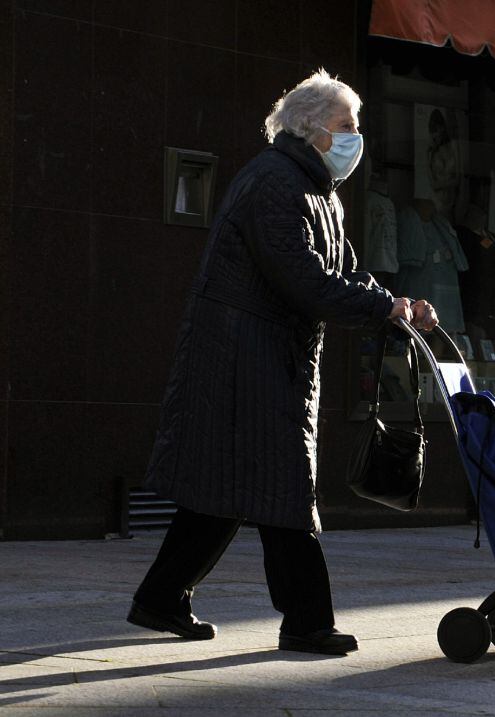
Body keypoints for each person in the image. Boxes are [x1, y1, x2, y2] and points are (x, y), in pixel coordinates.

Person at [127, 69, 438, 656]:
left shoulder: (317, 190)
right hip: (243, 359)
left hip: (264, 357)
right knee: (284, 487)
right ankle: (307, 621)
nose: (354, 138)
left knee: (226, 490)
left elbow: (345, 272)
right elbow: (305, 281)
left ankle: (161, 599)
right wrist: (379, 307)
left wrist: (394, 306)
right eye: (347, 126)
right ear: (312, 129)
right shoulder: (274, 182)